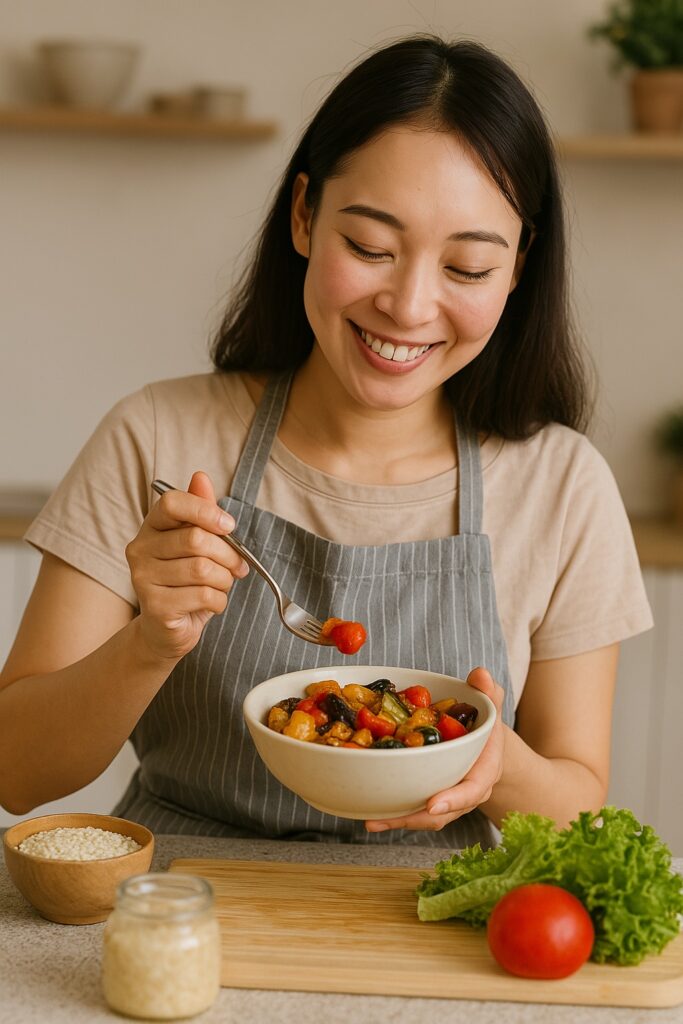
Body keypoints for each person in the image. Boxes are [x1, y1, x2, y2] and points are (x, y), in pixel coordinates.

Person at [0, 35, 652, 847]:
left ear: (519, 267)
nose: (410, 307)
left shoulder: (561, 484)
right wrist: (149, 642)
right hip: (177, 916)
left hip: (438, 927)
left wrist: (492, 761)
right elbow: (18, 771)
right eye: (370, 248)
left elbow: (579, 812)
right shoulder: (157, 435)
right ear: (304, 216)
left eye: (468, 269)